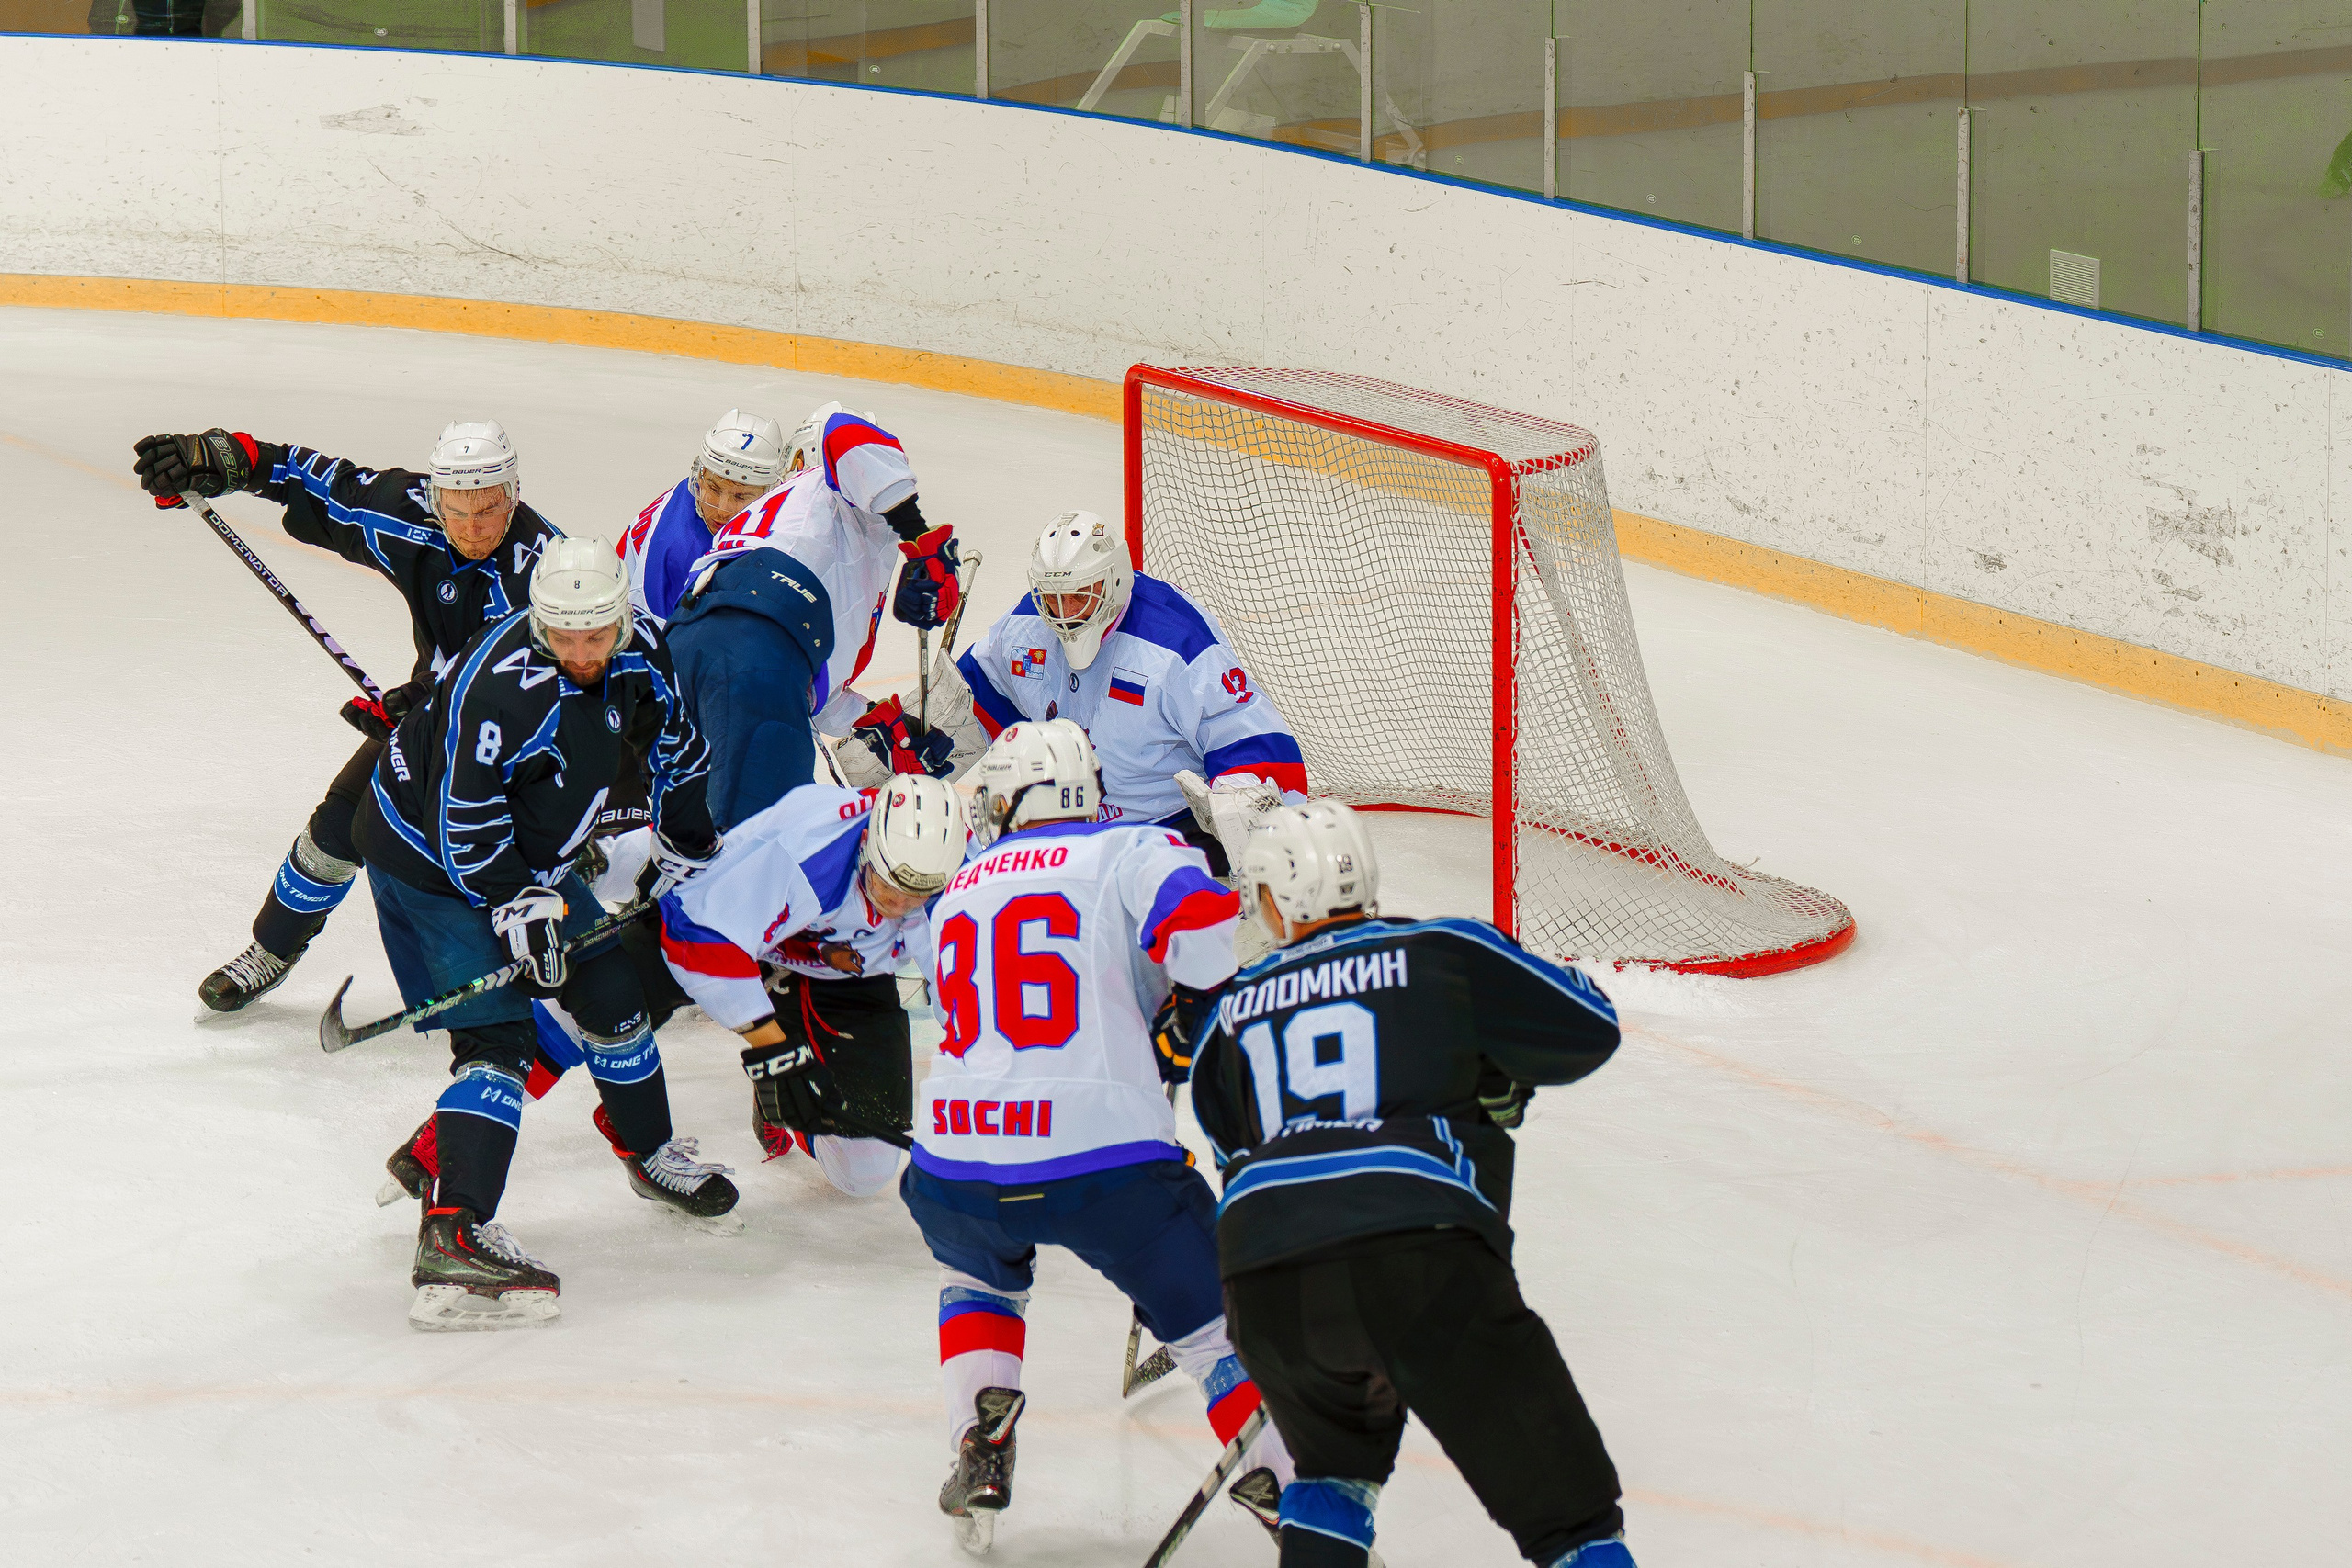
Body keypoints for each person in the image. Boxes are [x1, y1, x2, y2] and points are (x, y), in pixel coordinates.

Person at [832, 718, 1292, 1551]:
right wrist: (1193, 1012)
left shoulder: (962, 883)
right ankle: (1288, 1493)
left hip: (954, 1164)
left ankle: (980, 1438)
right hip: (1105, 1164)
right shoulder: (1136, 848)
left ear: (1012, 800)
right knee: (1214, 1327)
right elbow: (1200, 925)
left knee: (978, 1280)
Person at [1184, 799, 1633, 1568]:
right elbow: (1590, 1025)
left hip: (1264, 1275)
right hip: (1420, 1255)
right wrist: (1488, 1068)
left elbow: (1235, 1145)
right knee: (1573, 1521)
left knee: (1329, 1478)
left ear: (1270, 897)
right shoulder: (1439, 949)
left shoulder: (1230, 1012)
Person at [351, 538, 734, 1330]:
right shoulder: (498, 690)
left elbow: (678, 751)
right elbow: (463, 826)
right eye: (566, 636)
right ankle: (455, 1230)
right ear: (540, 620)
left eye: (597, 634)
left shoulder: (644, 651)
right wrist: (517, 908)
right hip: (427, 859)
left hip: (530, 853)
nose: (583, 652)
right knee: (496, 1043)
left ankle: (649, 1152)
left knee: (612, 990)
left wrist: (686, 840)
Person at [130, 420, 562, 1012]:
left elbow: (557, 690)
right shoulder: (409, 517)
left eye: (488, 510)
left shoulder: (548, 575)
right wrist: (221, 459)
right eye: (457, 512)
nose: (472, 528)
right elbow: (314, 480)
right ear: (435, 500)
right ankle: (272, 949)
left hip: (526, 743)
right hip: (429, 718)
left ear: (513, 495)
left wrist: (426, 707)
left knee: (499, 847)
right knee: (338, 827)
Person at [914, 511, 1308, 875]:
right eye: (1052, 597)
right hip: (1061, 823)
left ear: (1114, 579)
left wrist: (1241, 804)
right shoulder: (1024, 628)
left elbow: (1257, 743)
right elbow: (970, 704)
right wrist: (913, 742)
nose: (1063, 611)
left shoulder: (1174, 644)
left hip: (1167, 834)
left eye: (1078, 595)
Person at [656, 775, 968, 1196]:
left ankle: (799, 1116)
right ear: (866, 846)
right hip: (779, 963)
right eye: (885, 886)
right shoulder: (807, 843)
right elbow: (700, 930)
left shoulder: (965, 876)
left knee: (866, 1175)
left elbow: (963, 988)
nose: (896, 905)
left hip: (861, 977)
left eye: (914, 897)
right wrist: (768, 1041)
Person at [663, 401, 963, 829]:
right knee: (761, 846)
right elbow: (845, 431)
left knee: (692, 835)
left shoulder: (787, 524)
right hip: (753, 657)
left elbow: (798, 677)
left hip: (692, 651)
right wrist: (922, 540)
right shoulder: (835, 491)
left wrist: (876, 723)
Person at [619, 409, 786, 626]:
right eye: (714, 489)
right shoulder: (672, 546)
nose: (722, 510)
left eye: (741, 496)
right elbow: (657, 646)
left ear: (770, 492)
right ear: (700, 477)